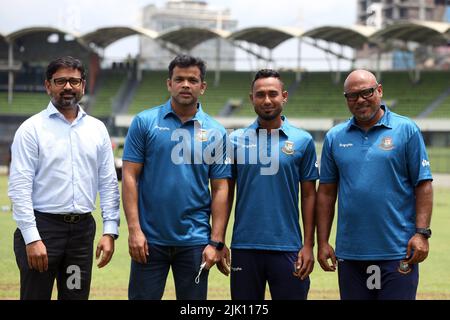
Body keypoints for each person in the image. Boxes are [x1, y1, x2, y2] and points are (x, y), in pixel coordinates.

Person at [8, 56, 120, 300]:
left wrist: (110, 230)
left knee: (74, 296)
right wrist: (32, 238)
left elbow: (109, 183)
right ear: (48, 85)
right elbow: (20, 187)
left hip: (80, 237)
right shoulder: (32, 129)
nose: (68, 87)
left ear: (83, 85)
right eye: (60, 81)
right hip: (44, 231)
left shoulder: (96, 129)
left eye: (74, 81)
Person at [316, 69, 433, 300]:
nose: (360, 100)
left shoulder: (406, 130)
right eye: (352, 95)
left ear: (379, 90)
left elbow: (423, 185)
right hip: (351, 254)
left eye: (367, 92)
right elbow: (326, 193)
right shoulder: (335, 137)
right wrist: (322, 242)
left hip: (398, 251)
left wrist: (422, 234)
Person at [122, 54, 232, 300]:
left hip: (194, 242)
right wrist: (134, 231)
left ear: (202, 87)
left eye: (192, 80)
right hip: (149, 240)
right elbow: (130, 177)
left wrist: (216, 242)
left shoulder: (216, 131)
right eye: (179, 79)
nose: (185, 84)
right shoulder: (144, 122)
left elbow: (221, 188)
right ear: (169, 83)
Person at [228, 69, 319, 300]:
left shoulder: (303, 141)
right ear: (252, 99)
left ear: (284, 96)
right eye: (260, 94)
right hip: (245, 247)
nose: (267, 100)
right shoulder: (235, 140)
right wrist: (218, 241)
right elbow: (224, 193)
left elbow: (309, 196)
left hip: (288, 247)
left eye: (272, 94)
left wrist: (308, 245)